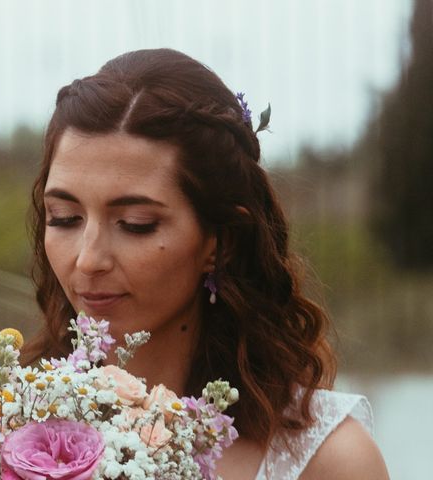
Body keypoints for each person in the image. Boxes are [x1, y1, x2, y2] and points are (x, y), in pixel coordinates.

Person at [22, 48, 389, 479]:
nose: (88, 259)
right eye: (65, 219)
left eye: (136, 224)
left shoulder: (325, 460)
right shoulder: (8, 428)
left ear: (220, 240)